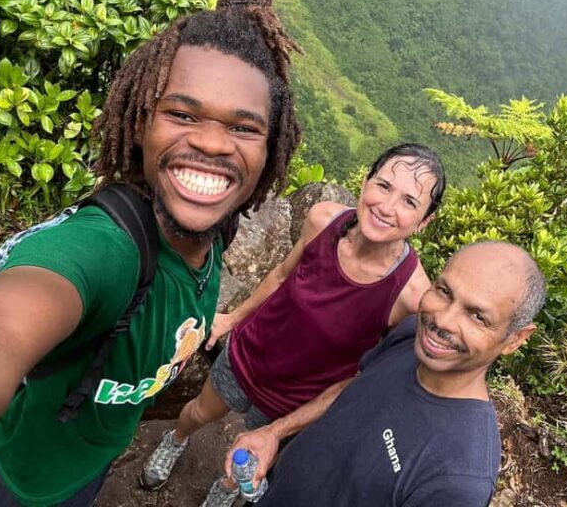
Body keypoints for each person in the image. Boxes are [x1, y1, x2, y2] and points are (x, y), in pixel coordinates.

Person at [0, 0, 303, 506]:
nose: (213, 144)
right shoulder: (107, 250)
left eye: (243, 128)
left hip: (96, 452)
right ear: (140, 122)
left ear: (270, 152)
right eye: (181, 113)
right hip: (32, 479)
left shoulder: (212, 227)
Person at [140, 143, 446, 504]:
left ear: (425, 221)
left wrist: (291, 425)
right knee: (198, 412)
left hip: (299, 397)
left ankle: (228, 486)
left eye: (410, 202)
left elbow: (367, 375)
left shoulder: (411, 297)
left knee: (254, 459)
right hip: (250, 353)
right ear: (365, 183)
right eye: (383, 186)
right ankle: (175, 439)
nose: (387, 207)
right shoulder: (323, 220)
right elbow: (284, 275)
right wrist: (232, 319)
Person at [224, 241, 546, 506]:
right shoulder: (412, 336)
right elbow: (357, 386)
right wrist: (275, 432)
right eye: (444, 291)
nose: (443, 321)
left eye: (477, 316)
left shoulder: (459, 476)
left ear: (516, 338)